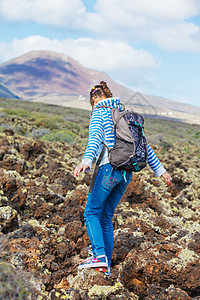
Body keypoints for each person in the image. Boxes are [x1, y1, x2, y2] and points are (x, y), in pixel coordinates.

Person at [74, 81, 171, 276]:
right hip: (126, 174)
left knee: (91, 213)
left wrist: (86, 161)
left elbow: (94, 139)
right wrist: (161, 170)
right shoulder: (125, 115)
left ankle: (99, 256)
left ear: (94, 99)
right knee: (106, 217)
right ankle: (106, 266)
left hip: (108, 170)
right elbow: (144, 147)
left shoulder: (99, 113)